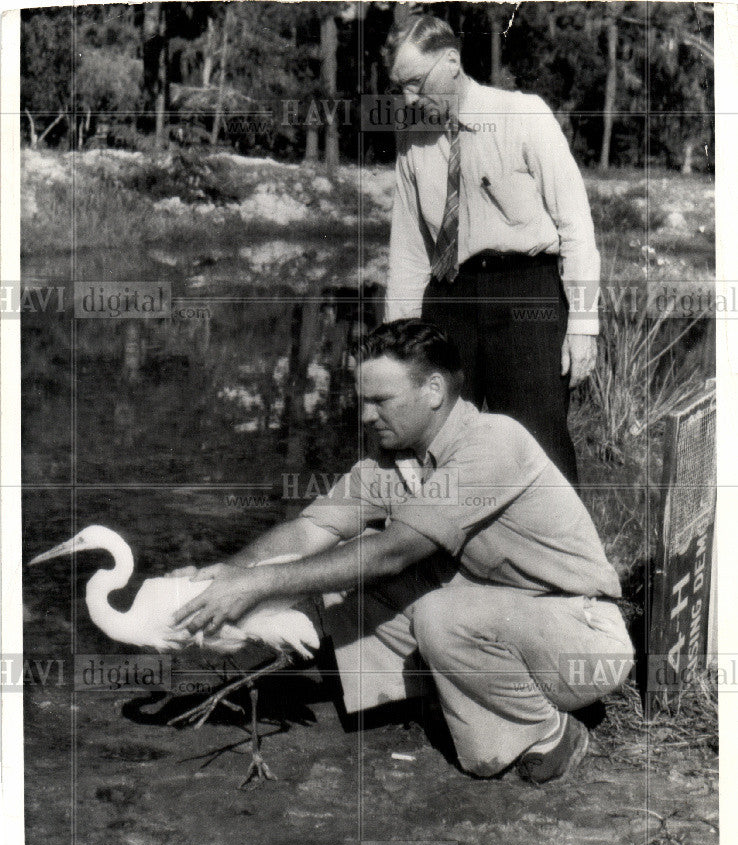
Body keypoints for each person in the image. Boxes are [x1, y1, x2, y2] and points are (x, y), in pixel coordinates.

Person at [173, 319, 633, 783]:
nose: (366, 416)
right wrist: (226, 575)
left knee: (434, 612)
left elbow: (393, 552)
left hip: (582, 638)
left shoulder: (493, 441)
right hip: (508, 618)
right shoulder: (395, 463)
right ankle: (449, 693)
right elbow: (310, 530)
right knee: (334, 575)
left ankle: (549, 736)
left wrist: (260, 584)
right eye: (363, 402)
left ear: (434, 389)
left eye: (381, 401)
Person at [383, 14, 601, 484]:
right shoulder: (412, 137)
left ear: (453, 62)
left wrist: (583, 325)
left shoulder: (523, 116)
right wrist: (395, 350)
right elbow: (407, 256)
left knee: (538, 450)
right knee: (436, 450)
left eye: (417, 83)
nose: (409, 100)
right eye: (400, 87)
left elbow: (576, 228)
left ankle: (561, 557)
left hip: (526, 297)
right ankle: (449, 556)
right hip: (449, 297)